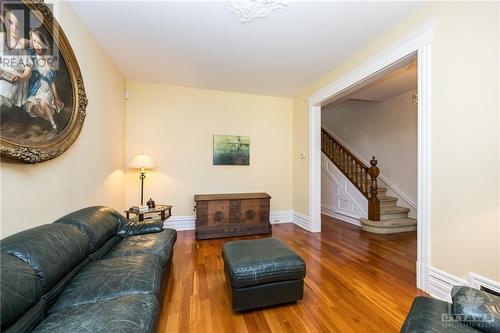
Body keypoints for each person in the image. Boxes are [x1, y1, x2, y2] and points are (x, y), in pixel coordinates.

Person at [25, 28, 63, 130]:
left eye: (39, 42)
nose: (37, 45)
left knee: (42, 102)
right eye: (34, 41)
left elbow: (52, 82)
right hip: (36, 88)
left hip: (46, 89)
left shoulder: (48, 61)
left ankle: (53, 123)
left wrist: (56, 97)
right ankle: (48, 119)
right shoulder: (31, 56)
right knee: (31, 105)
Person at [0, 10, 32, 109]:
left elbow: (27, 72)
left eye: (17, 27)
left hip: (15, 78)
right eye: (10, 23)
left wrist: (21, 78)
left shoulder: (24, 53)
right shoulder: (2, 39)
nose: (14, 28)